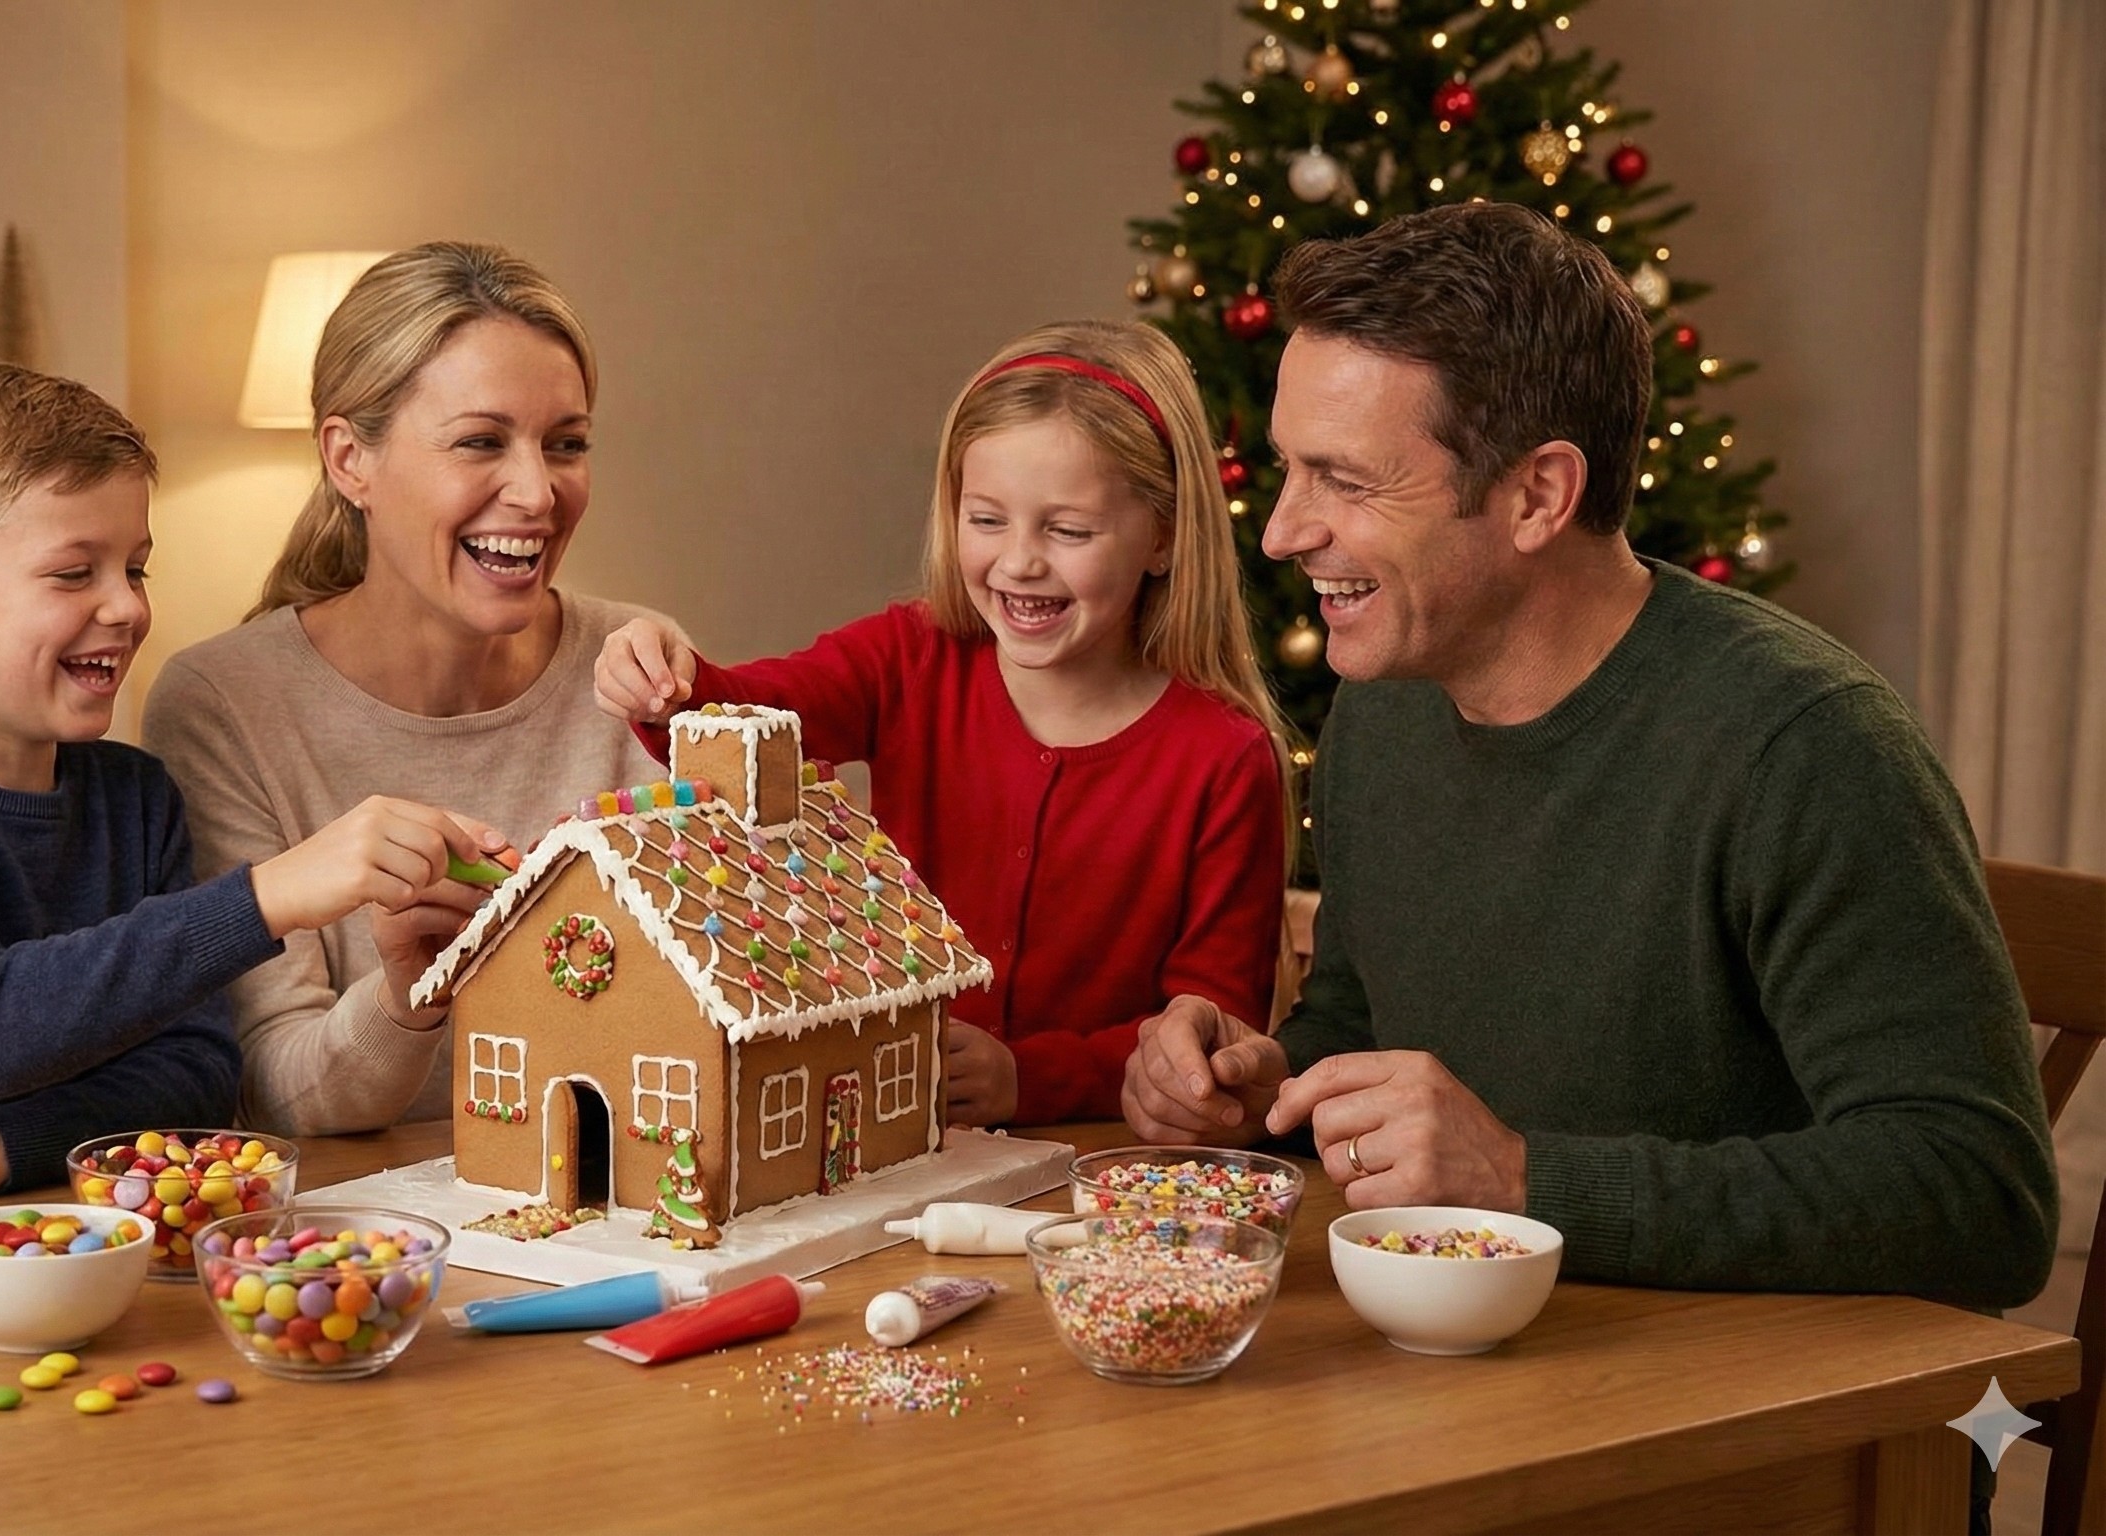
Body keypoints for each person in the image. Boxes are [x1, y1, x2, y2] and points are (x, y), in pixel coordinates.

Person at [1121, 203, 2056, 1313]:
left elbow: (1980, 1200)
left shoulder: (1805, 747)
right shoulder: (1384, 710)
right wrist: (1265, 1087)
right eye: (1289, 469)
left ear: (1537, 496)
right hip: (1486, 1352)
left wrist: (1525, 1180)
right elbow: (1366, 1025)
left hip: (1757, 1395)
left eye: (1347, 481)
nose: (1281, 531)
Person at [0, 361, 494, 1213]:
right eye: (73, 574)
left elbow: (196, 1073)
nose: (127, 608)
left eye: (135, 570)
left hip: (57, 1233)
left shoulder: (135, 798)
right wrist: (267, 896)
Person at [596, 320, 1289, 1128]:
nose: (1020, 562)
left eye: (1068, 530)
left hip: (1099, 1162)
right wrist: (667, 678)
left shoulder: (1225, 758)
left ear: (1163, 538)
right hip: (896, 1144)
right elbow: (748, 709)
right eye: (987, 520)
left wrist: (1031, 1079)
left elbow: (1211, 1037)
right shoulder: (910, 657)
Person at [144, 242, 661, 1138]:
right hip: (358, 1215)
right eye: (480, 442)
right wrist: (404, 998)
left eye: (566, 444)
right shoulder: (222, 704)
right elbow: (272, 1093)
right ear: (351, 459)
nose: (538, 492)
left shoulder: (635, 669)